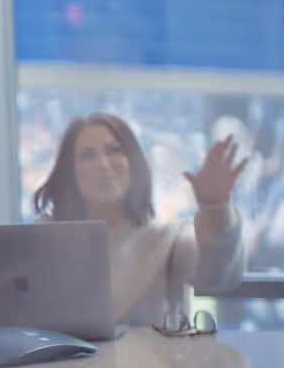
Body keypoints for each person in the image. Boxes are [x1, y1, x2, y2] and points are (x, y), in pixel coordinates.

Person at [33, 112, 246, 325]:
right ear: (69, 171)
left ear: (133, 163)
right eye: (87, 156)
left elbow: (218, 276)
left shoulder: (167, 239)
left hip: (154, 349)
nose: (103, 164)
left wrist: (215, 210)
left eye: (114, 151)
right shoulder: (43, 238)